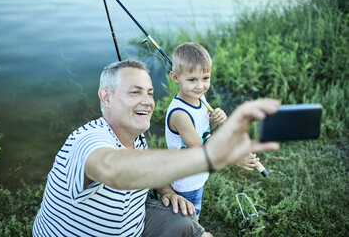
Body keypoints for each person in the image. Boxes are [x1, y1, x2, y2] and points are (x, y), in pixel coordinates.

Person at [32, 60, 280, 237]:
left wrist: (166, 190)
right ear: (106, 97)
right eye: (135, 92)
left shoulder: (137, 139)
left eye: (150, 93)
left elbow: (143, 169)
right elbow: (113, 168)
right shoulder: (89, 140)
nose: (148, 102)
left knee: (189, 226)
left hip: (134, 224)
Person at [166, 42, 262, 220]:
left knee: (192, 217)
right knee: (188, 221)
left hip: (196, 175)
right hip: (185, 181)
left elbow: (202, 134)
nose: (200, 86)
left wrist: (211, 123)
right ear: (175, 77)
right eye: (192, 80)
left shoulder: (198, 100)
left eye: (205, 78)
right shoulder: (180, 114)